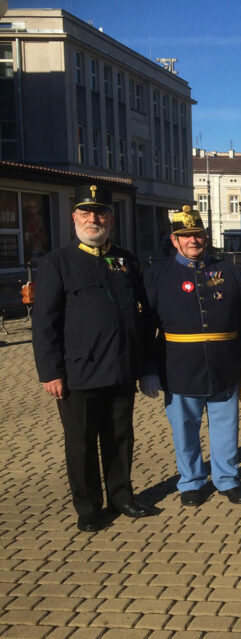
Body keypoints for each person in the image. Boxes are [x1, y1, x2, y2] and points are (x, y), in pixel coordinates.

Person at [32, 184, 156, 532]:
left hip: (120, 367)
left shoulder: (126, 260)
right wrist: (50, 372)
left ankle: (121, 495)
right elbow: (44, 323)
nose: (93, 219)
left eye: (100, 213)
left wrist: (146, 365)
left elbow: (142, 315)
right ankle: (88, 506)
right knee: (82, 442)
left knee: (120, 436)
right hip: (78, 372)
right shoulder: (57, 263)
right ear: (74, 217)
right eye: (86, 213)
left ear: (110, 218)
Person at [140, 206, 241, 507]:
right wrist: (149, 368)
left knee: (226, 427)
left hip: (224, 363)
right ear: (174, 240)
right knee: (185, 429)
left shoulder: (228, 271)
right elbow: (146, 327)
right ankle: (190, 481)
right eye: (185, 235)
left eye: (198, 235)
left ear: (206, 236)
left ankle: (227, 479)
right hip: (178, 366)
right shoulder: (157, 275)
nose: (193, 240)